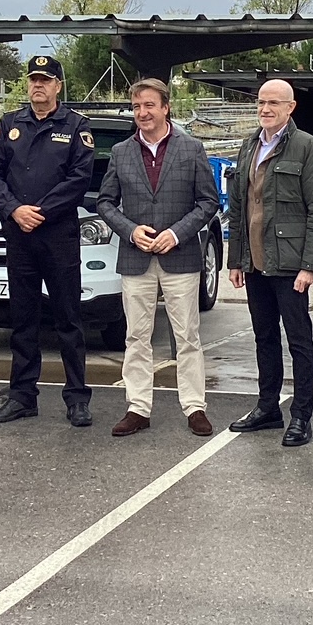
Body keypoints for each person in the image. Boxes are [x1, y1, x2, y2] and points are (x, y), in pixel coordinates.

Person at [95, 78, 221, 438]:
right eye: (136, 107)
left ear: (166, 108)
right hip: (135, 258)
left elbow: (208, 202)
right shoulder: (120, 152)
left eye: (149, 105)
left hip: (179, 256)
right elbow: (104, 202)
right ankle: (138, 408)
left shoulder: (191, 148)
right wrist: (130, 230)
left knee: (188, 337)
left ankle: (195, 407)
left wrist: (176, 233)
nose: (142, 113)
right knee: (136, 336)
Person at [0, 54, 96, 426]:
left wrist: (40, 211)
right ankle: (22, 396)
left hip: (57, 236)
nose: (38, 86)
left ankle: (77, 398)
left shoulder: (76, 126)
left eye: (45, 80)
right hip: (19, 236)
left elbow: (79, 180)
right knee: (23, 320)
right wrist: (15, 209)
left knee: (67, 320)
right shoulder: (9, 124)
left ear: (58, 86)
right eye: (33, 79)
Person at [225, 79, 313, 448]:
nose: (265, 109)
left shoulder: (308, 148)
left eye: (274, 103)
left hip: (290, 265)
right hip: (255, 263)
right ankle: (268, 408)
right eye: (261, 102)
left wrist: (310, 265)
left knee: (299, 340)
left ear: (291, 107)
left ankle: (302, 416)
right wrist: (235, 260)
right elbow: (239, 208)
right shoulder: (248, 146)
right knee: (264, 338)